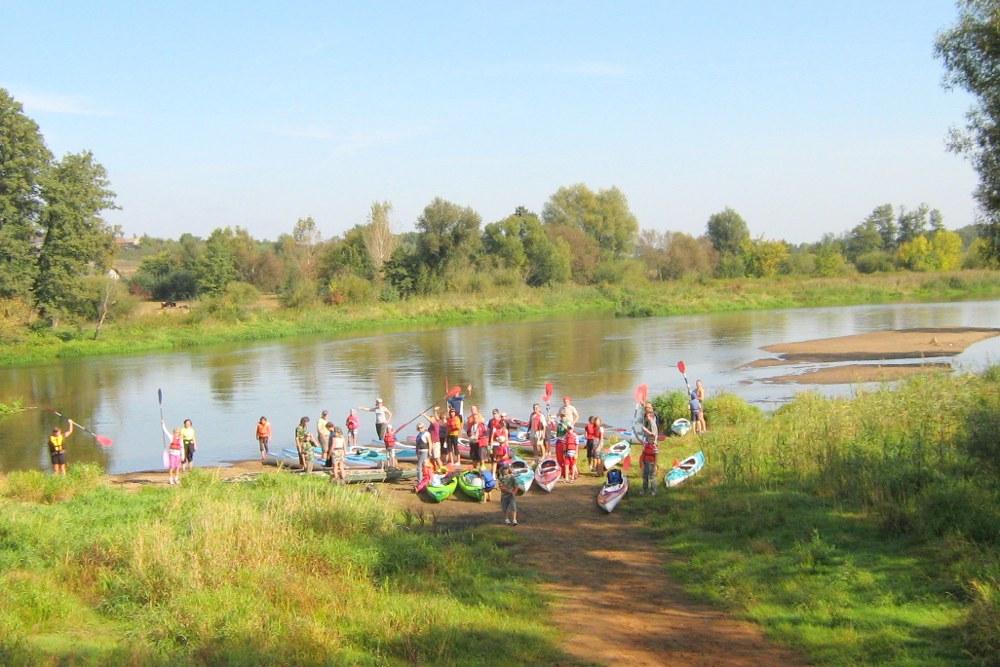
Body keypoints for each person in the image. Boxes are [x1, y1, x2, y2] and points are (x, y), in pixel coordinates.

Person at [161, 420, 183, 485]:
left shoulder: (180, 439)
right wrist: (163, 424)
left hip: (178, 455)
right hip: (172, 455)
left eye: (178, 432)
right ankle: (170, 479)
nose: (177, 433)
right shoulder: (171, 437)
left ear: (179, 433)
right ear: (174, 432)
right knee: (172, 467)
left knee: (177, 467)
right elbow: (165, 431)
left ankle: (176, 478)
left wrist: (183, 455)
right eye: (176, 432)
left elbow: (182, 448)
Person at [639, 427, 659, 496]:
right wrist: (642, 464)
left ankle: (654, 490)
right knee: (645, 477)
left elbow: (656, 457)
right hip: (645, 463)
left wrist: (655, 466)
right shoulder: (646, 446)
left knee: (652, 477)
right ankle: (644, 490)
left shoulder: (655, 447)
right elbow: (643, 455)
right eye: (649, 439)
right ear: (647, 439)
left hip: (652, 463)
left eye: (652, 439)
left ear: (654, 440)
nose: (651, 440)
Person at [413, 421, 431, 487]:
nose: (420, 429)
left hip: (424, 451)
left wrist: (430, 451)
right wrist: (416, 452)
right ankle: (426, 479)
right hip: (419, 452)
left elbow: (430, 443)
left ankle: (419, 481)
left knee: (419, 466)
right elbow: (417, 445)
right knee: (424, 465)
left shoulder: (426, 434)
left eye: (421, 427)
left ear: (423, 427)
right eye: (419, 428)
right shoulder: (418, 435)